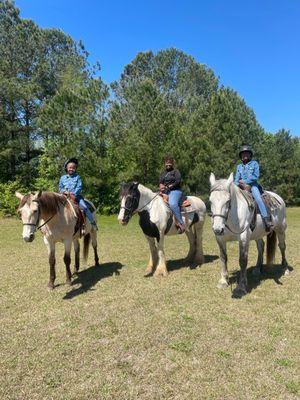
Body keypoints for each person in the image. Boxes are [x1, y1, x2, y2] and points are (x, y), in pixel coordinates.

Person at [234, 145, 273, 231]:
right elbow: (236, 179)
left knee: (258, 199)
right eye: (243, 154)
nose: (245, 156)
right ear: (241, 156)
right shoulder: (239, 166)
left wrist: (245, 182)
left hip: (253, 185)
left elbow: (255, 176)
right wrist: (237, 184)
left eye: (247, 154)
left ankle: (267, 220)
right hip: (240, 186)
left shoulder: (254, 163)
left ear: (250, 155)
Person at [59, 158, 98, 231]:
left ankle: (92, 223)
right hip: (64, 197)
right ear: (66, 168)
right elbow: (60, 188)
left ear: (75, 169)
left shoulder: (77, 177)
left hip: (76, 197)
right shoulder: (62, 178)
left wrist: (73, 194)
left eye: (73, 168)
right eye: (70, 167)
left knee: (85, 207)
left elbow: (79, 187)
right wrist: (65, 192)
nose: (71, 169)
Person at [159, 156, 185, 233]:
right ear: (164, 164)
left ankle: (181, 223)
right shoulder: (163, 173)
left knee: (173, 204)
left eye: (169, 164)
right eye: (166, 164)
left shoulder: (176, 172)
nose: (168, 165)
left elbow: (178, 181)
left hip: (175, 190)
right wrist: (161, 186)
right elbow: (160, 181)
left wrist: (171, 186)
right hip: (165, 191)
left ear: (172, 164)